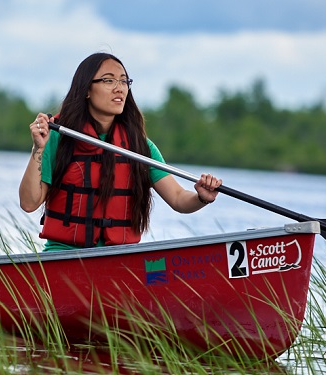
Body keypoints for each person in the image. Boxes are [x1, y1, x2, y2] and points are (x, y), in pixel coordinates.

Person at [18, 52, 222, 251]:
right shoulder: (58, 138)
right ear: (86, 89)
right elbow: (29, 203)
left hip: (120, 259)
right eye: (109, 81)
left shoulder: (140, 147)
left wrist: (201, 197)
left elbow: (178, 198)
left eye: (124, 81)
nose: (119, 88)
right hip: (65, 254)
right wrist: (38, 147)